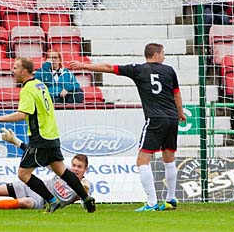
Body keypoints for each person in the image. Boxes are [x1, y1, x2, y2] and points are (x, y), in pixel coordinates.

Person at [70, 43, 186, 212]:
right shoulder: (169, 71)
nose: (164, 57)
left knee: (142, 161)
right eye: (163, 54)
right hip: (172, 118)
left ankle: (152, 203)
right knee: (169, 159)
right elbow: (177, 93)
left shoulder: (138, 69)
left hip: (155, 119)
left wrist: (83, 65)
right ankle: (171, 199)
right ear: (155, 55)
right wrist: (181, 113)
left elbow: (109, 67)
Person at [0, 57, 96, 213]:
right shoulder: (41, 85)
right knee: (62, 171)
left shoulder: (27, 89)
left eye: (15, 68)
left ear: (24, 71)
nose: (13, 71)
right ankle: (86, 198)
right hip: (52, 134)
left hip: (40, 137)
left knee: (23, 174)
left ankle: (52, 201)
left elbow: (23, 114)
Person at [0, 128, 91, 211]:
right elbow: (35, 155)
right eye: (74, 165)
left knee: (25, 202)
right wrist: (15, 141)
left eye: (79, 167)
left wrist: (84, 194)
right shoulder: (62, 171)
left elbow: (85, 194)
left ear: (85, 169)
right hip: (36, 187)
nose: (76, 169)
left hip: (41, 200)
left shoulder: (85, 185)